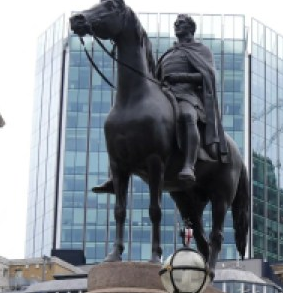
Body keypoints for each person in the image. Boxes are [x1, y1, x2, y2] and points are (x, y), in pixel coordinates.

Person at [92, 14, 228, 194]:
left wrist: (179, 77)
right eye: (176, 23)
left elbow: (207, 76)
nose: (177, 25)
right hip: (165, 95)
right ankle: (114, 176)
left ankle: (189, 165)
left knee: (187, 116)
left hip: (187, 96)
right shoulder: (168, 53)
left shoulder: (201, 50)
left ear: (191, 28)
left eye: (181, 23)